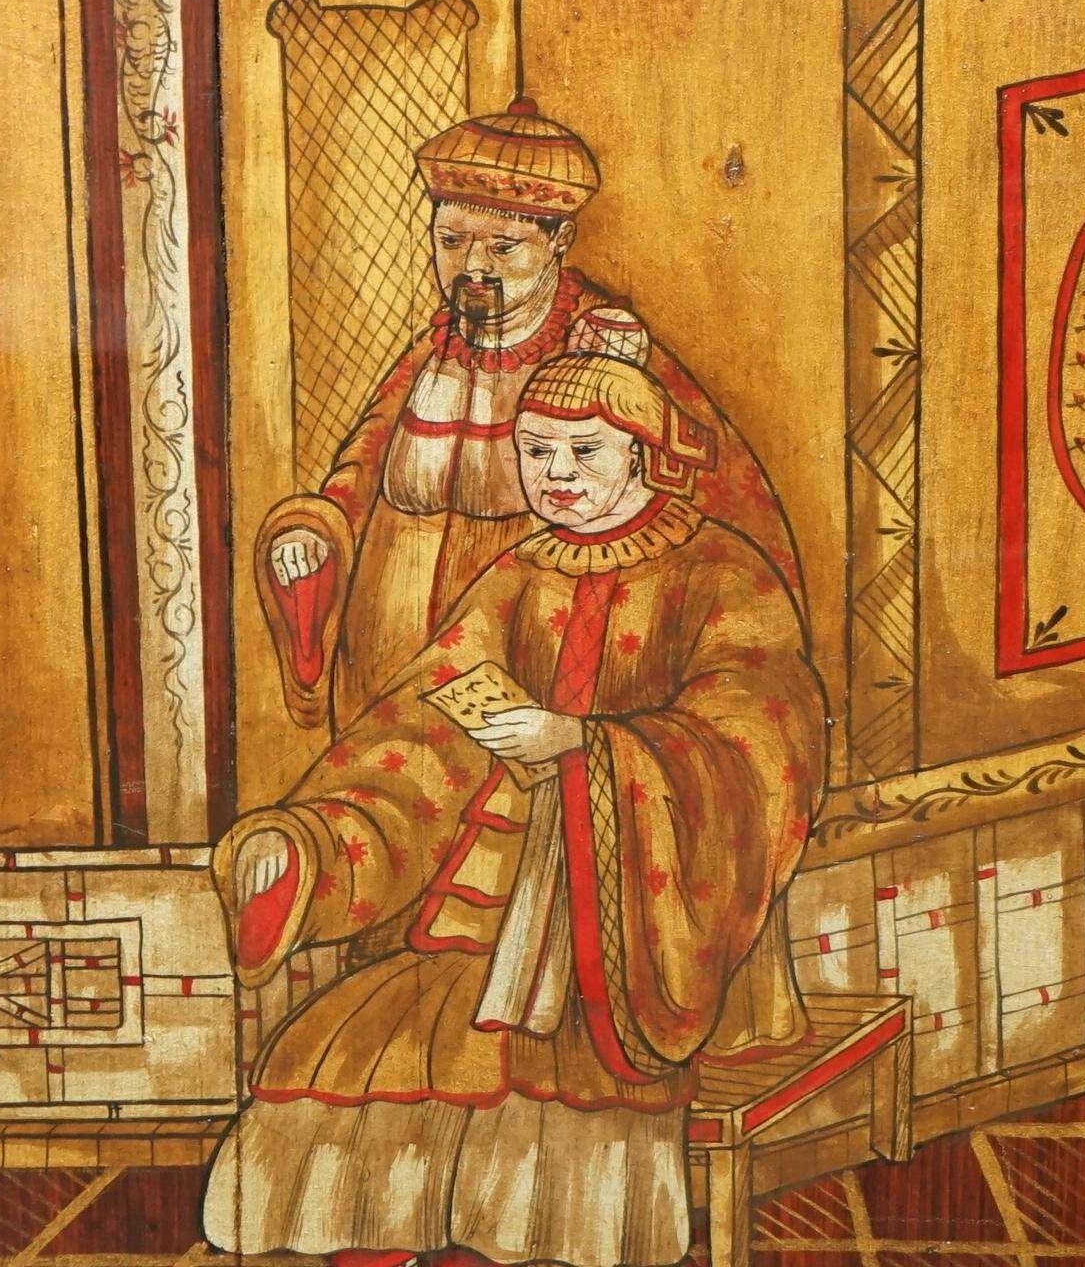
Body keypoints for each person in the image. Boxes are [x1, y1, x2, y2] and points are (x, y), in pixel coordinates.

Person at [209, 350, 828, 1267]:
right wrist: (303, 842)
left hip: (640, 939)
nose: (558, 477)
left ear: (644, 454)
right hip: (484, 921)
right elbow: (421, 734)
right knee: (340, 1056)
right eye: (538, 453)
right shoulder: (518, 574)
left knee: (556, 1086)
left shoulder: (720, 571)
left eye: (585, 453)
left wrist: (593, 748)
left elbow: (762, 734)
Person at [261, 100, 800, 729]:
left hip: (526, 649)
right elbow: (364, 463)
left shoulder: (604, 352)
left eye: (505, 245)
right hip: (382, 655)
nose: (474, 266)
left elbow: (697, 494)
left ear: (560, 241)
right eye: (451, 240)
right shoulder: (435, 348)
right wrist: (313, 532)